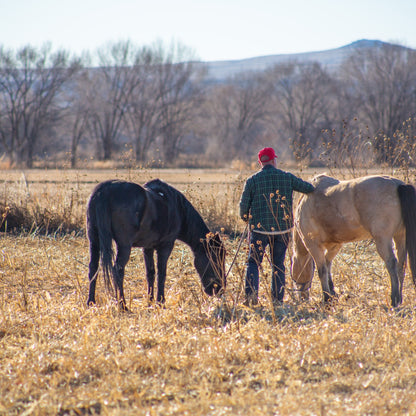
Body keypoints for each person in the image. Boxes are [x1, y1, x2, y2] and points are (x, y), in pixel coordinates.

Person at [239, 147, 315, 306]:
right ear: (274, 160)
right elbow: (309, 189)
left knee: (253, 263)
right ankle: (277, 301)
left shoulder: (252, 181)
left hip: (258, 231)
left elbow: (243, 209)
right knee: (278, 265)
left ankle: (251, 297)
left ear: (260, 162)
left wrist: (248, 220)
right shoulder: (287, 178)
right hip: (283, 231)